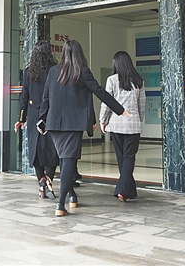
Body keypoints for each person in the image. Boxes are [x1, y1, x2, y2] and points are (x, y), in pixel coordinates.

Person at [38, 39, 128, 217]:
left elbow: (46, 98)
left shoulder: (53, 71)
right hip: (73, 125)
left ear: (63, 52)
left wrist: (41, 120)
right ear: (79, 53)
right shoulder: (82, 71)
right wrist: (120, 110)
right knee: (68, 161)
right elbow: (99, 91)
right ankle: (60, 204)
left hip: (54, 125)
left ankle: (71, 195)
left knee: (65, 160)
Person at [14, 41, 59, 199]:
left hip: (33, 114)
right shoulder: (54, 70)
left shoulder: (28, 72)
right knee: (52, 149)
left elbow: (24, 97)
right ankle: (49, 179)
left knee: (35, 150)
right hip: (50, 113)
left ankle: (41, 182)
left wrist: (21, 118)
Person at [100, 51, 146, 202]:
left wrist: (103, 120)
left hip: (116, 124)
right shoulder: (138, 81)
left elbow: (107, 102)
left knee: (122, 158)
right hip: (133, 125)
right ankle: (128, 190)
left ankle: (123, 190)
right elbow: (142, 105)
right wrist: (139, 120)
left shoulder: (112, 80)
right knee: (129, 158)